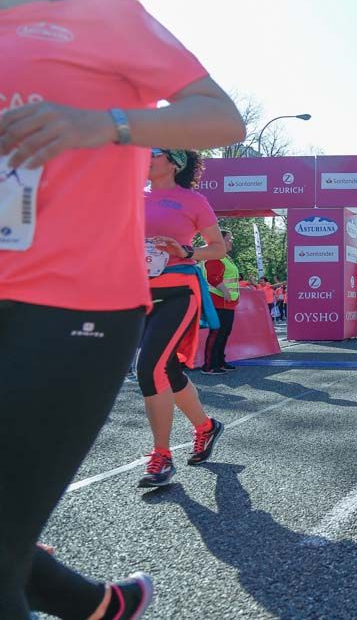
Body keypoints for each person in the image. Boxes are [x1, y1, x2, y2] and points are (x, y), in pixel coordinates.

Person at [0, 0, 245, 616]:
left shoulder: (103, 16)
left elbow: (223, 119)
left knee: (155, 366)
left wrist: (105, 125)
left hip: (77, 303)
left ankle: (174, 443)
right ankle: (100, 606)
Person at [137, 150, 226, 488]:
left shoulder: (192, 200)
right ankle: (206, 427)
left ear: (173, 162)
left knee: (148, 369)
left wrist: (186, 251)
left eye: (154, 152)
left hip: (178, 291)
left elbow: (217, 247)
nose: (146, 156)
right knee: (168, 369)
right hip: (137, 293)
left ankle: (162, 456)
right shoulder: (131, 197)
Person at [201, 230, 239, 375]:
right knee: (216, 333)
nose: (231, 241)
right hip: (217, 301)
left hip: (228, 303)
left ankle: (220, 361)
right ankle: (209, 365)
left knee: (224, 332)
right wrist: (226, 292)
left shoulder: (225, 257)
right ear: (220, 241)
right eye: (229, 239)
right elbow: (213, 278)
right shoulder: (214, 256)